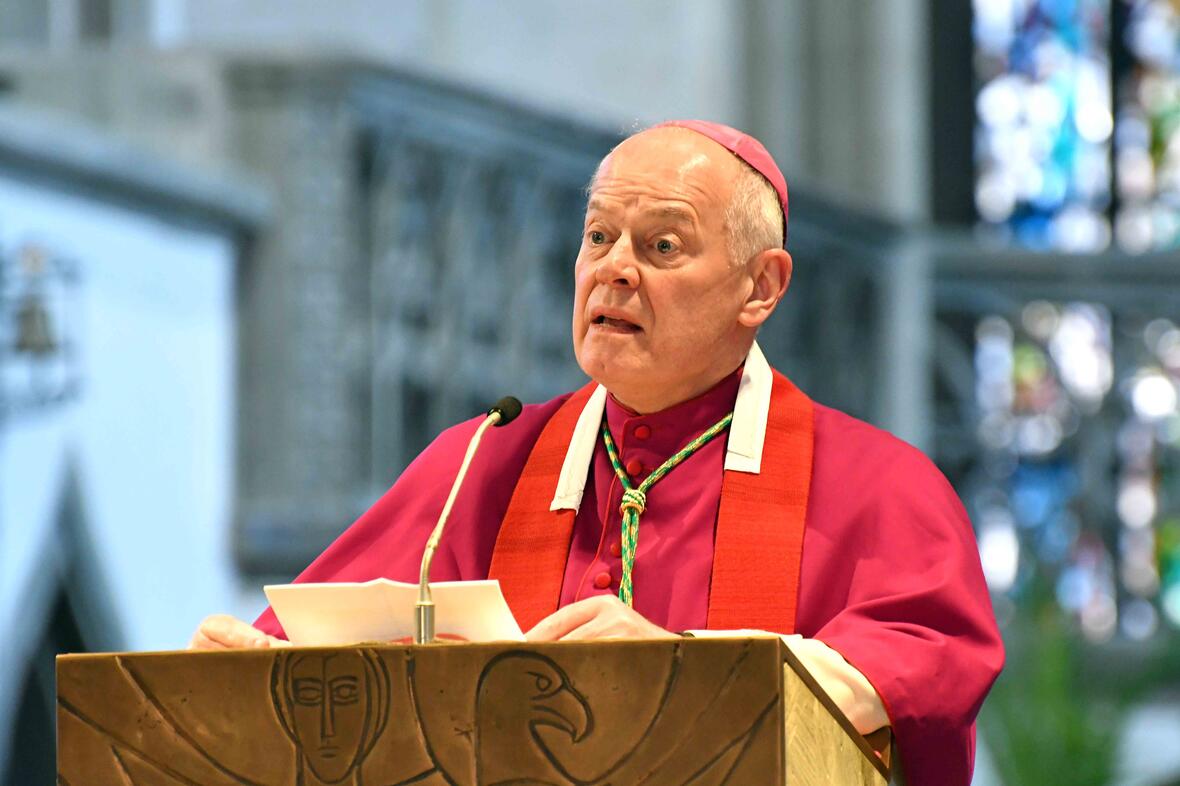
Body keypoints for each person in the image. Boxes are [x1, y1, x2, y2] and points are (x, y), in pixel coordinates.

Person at [192, 120, 1004, 786]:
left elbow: (921, 669)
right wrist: (247, 676)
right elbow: (325, 647)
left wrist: (674, 671)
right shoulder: (484, 459)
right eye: (599, 236)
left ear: (761, 287)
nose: (614, 269)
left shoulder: (875, 486)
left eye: (661, 247)